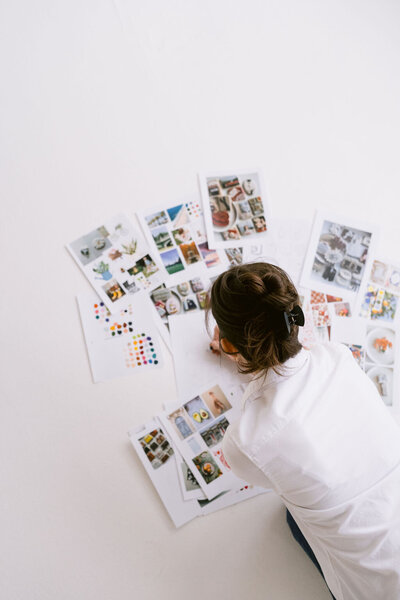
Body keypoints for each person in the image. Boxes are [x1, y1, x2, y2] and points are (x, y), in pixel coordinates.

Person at [208, 263, 400, 600]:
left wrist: (244, 359)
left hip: (377, 588)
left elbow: (271, 469)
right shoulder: (340, 356)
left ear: (227, 344)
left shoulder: (245, 441)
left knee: (294, 520)